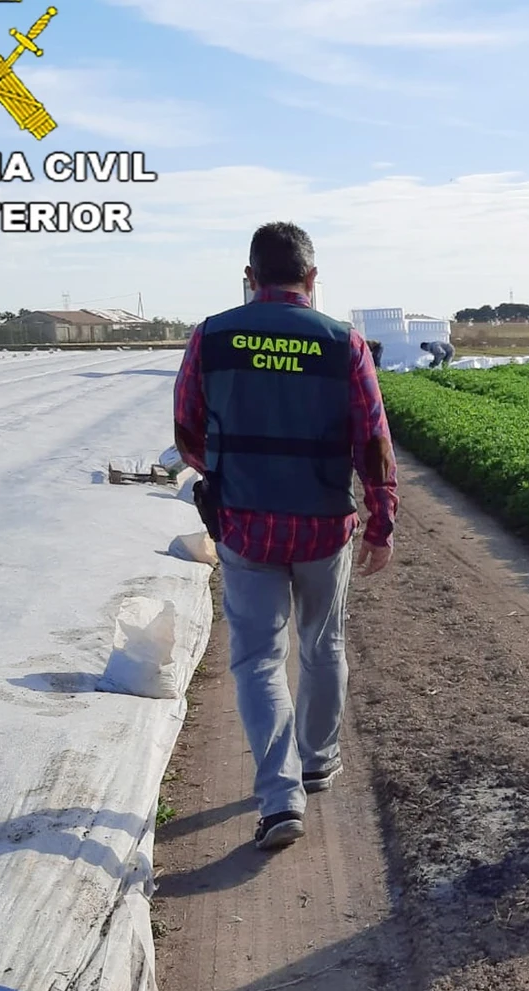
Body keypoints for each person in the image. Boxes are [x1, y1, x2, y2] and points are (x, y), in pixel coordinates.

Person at [173, 221, 399, 851]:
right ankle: (318, 760)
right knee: (322, 645)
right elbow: (373, 441)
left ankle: (279, 797)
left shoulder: (211, 337)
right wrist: (381, 521)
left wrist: (231, 472)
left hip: (245, 526)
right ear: (312, 278)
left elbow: (188, 430)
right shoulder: (342, 343)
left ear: (250, 277)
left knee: (256, 659)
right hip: (325, 526)